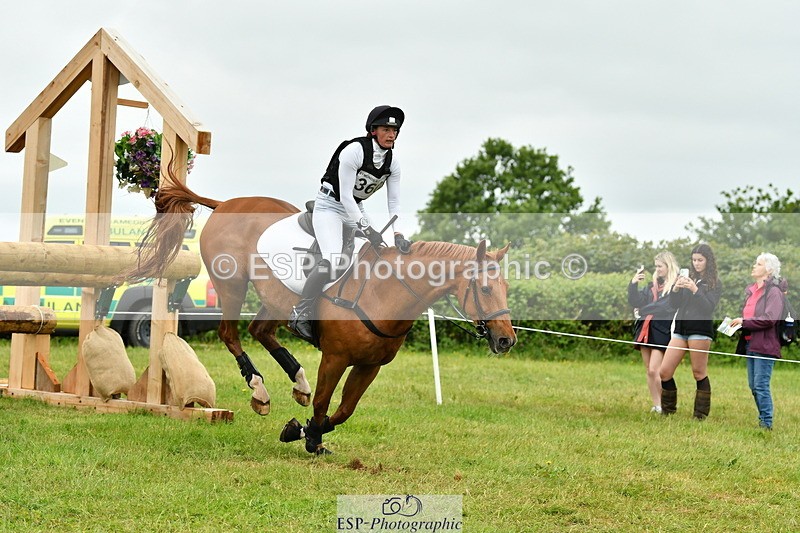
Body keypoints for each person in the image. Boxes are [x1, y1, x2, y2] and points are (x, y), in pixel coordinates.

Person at [289, 105, 413, 341]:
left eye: (394, 130)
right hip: (329, 205)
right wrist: (367, 228)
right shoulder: (354, 150)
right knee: (333, 259)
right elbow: (345, 196)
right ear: (373, 131)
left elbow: (394, 202)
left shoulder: (392, 164)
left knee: (378, 253)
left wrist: (399, 235)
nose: (391, 134)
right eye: (386, 129)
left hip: (355, 207)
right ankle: (301, 312)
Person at [659, 243, 722, 419]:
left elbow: (708, 307)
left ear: (708, 261)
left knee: (698, 372)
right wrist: (677, 289)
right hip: (680, 330)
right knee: (664, 371)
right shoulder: (689, 279)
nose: (696, 263)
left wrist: (695, 289)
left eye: (700, 260)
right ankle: (668, 411)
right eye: (694, 260)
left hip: (700, 330)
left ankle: (700, 415)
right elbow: (674, 305)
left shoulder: (714, 284)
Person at [729, 253, 785, 430]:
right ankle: (763, 420)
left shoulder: (774, 292)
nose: (754, 266)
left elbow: (770, 319)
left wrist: (744, 322)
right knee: (753, 386)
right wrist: (738, 323)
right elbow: (749, 315)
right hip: (750, 343)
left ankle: (766, 424)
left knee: (761, 385)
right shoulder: (752, 291)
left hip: (765, 345)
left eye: (758, 264)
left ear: (768, 270)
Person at [628, 251, 679, 413]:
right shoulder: (651, 287)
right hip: (645, 329)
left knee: (654, 369)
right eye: (656, 266)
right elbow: (635, 301)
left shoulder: (675, 286)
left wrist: (643, 310)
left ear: (668, 266)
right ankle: (656, 405)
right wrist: (633, 284)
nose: (657, 269)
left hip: (662, 331)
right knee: (649, 371)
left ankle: (666, 405)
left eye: (660, 266)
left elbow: (665, 307)